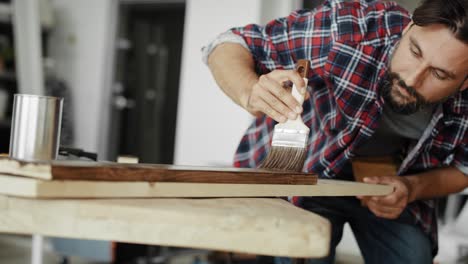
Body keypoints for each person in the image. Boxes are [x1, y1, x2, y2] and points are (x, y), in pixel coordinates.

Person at [203, 0, 468, 263]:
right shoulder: (350, 29)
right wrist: (249, 91)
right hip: (308, 171)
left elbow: (464, 169)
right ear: (409, 27)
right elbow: (229, 43)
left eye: (440, 75)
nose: (411, 80)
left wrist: (412, 187)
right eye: (414, 52)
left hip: (391, 184)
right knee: (301, 251)